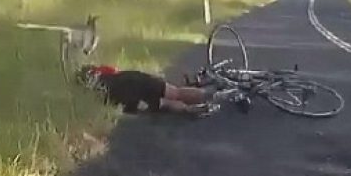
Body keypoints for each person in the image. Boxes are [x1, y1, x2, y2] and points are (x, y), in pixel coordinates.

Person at [75, 64, 236, 116]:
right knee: (175, 92)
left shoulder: (91, 95)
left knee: (164, 103)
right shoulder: (96, 70)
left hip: (126, 96)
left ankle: (195, 109)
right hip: (132, 79)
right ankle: (211, 95)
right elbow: (114, 69)